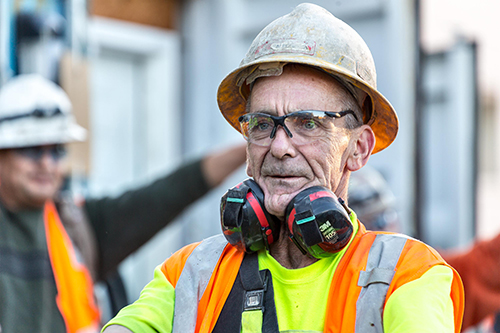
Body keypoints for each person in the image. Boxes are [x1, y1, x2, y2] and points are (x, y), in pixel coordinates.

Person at [102, 3, 464, 332]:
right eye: (262, 124)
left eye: (309, 123)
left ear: (359, 148)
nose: (279, 146)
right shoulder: (192, 274)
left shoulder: (405, 275)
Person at [0, 74, 247, 333]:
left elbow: (169, 194)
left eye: (56, 150)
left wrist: (253, 145)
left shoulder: (76, 225)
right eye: (30, 149)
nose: (46, 163)